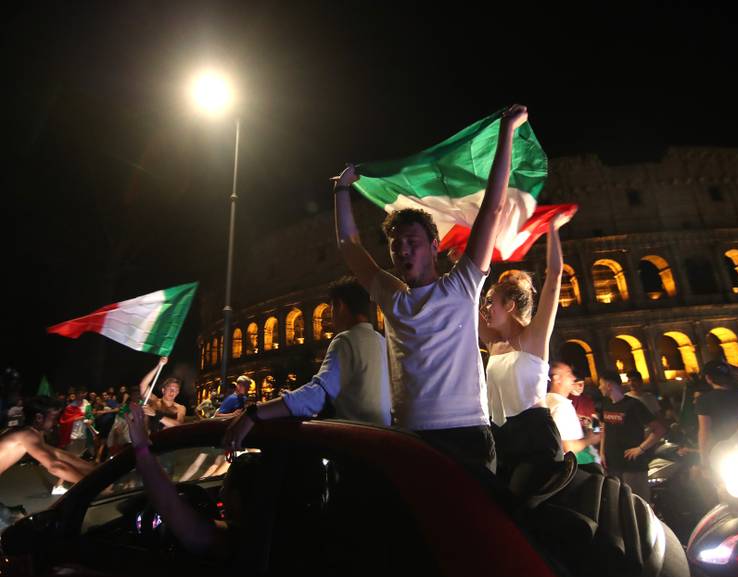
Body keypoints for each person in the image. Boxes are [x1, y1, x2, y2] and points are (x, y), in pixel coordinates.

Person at [332, 105, 530, 471]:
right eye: (396, 245)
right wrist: (343, 190)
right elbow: (349, 245)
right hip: (410, 436)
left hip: (467, 431)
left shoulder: (464, 283)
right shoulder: (390, 294)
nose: (403, 250)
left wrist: (507, 133)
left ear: (434, 246)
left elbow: (492, 209)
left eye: (412, 241)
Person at [223, 277, 391, 451]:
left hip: (354, 447)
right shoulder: (381, 341)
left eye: (331, 308)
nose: (331, 316)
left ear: (340, 305)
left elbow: (316, 396)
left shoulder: (345, 340)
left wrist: (254, 413)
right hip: (380, 444)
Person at [479, 210, 572, 482]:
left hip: (535, 438)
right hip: (499, 438)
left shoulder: (533, 338)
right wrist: (467, 261)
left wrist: (552, 229)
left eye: (490, 302)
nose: (484, 308)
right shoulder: (493, 342)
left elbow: (554, 277)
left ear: (508, 306)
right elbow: (467, 299)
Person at [123, 397, 264, 561]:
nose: (220, 491)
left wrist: (141, 447)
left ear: (236, 498)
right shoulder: (267, 533)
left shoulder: (228, 541)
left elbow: (170, 506)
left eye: (225, 485)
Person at [598, 371, 665, 500]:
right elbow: (604, 428)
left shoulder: (634, 405)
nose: (599, 387)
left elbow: (659, 429)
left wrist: (640, 449)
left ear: (609, 385)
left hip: (633, 466)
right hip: (612, 465)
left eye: (601, 384)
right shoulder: (605, 404)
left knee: (638, 503)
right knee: (618, 503)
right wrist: (602, 452)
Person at [0, 397, 95, 485]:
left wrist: (96, 471)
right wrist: (94, 486)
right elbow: (56, 467)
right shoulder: (28, 435)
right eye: (54, 418)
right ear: (39, 418)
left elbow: (60, 454)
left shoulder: (28, 432)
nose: (55, 422)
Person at [695, 360, 738, 469]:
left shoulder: (704, 400)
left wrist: (704, 461)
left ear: (708, 378)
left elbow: (704, 431)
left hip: (721, 451)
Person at [545, 362, 599, 463]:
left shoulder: (548, 401)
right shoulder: (560, 406)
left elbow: (594, 421)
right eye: (569, 374)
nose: (573, 378)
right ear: (557, 378)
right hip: (575, 465)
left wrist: (595, 429)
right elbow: (567, 447)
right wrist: (590, 440)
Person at [139, 357, 186, 432]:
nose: (172, 392)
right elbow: (143, 385)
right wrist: (159, 366)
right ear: (163, 390)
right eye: (170, 389)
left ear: (178, 393)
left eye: (175, 390)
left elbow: (178, 425)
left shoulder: (180, 408)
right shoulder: (155, 401)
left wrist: (155, 414)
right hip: (153, 440)